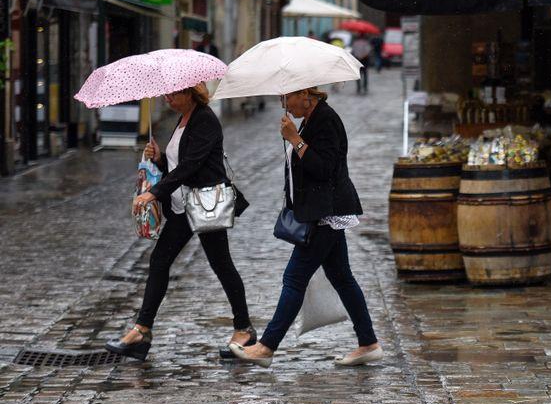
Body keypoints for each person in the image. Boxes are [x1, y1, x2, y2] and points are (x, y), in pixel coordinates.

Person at [230, 87, 381, 368]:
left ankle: (266, 347)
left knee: (294, 279)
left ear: (305, 94)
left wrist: (296, 141)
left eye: (287, 97)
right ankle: (368, 342)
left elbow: (324, 169)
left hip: (325, 214)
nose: (283, 104)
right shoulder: (309, 120)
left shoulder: (326, 120)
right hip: (320, 211)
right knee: (342, 278)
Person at [104, 84, 254, 362]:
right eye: (166, 94)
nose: (167, 98)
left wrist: (154, 192)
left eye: (173, 94)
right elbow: (177, 165)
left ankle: (244, 328)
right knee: (159, 261)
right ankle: (142, 330)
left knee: (221, 264)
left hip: (204, 205)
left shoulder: (205, 119)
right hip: (182, 206)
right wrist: (159, 159)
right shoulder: (183, 118)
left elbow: (191, 166)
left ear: (190, 94)